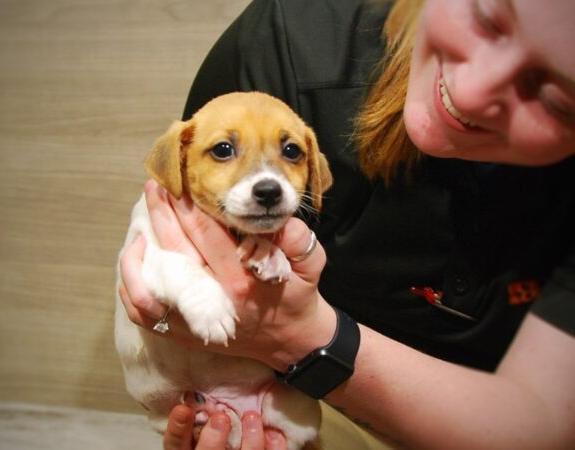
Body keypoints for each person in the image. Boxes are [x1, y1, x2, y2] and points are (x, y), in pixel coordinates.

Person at [118, 0, 575, 448]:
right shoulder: (293, 40)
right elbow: (185, 248)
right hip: (303, 399)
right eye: (487, 17)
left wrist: (304, 337)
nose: (472, 93)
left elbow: (545, 425)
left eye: (557, 99)